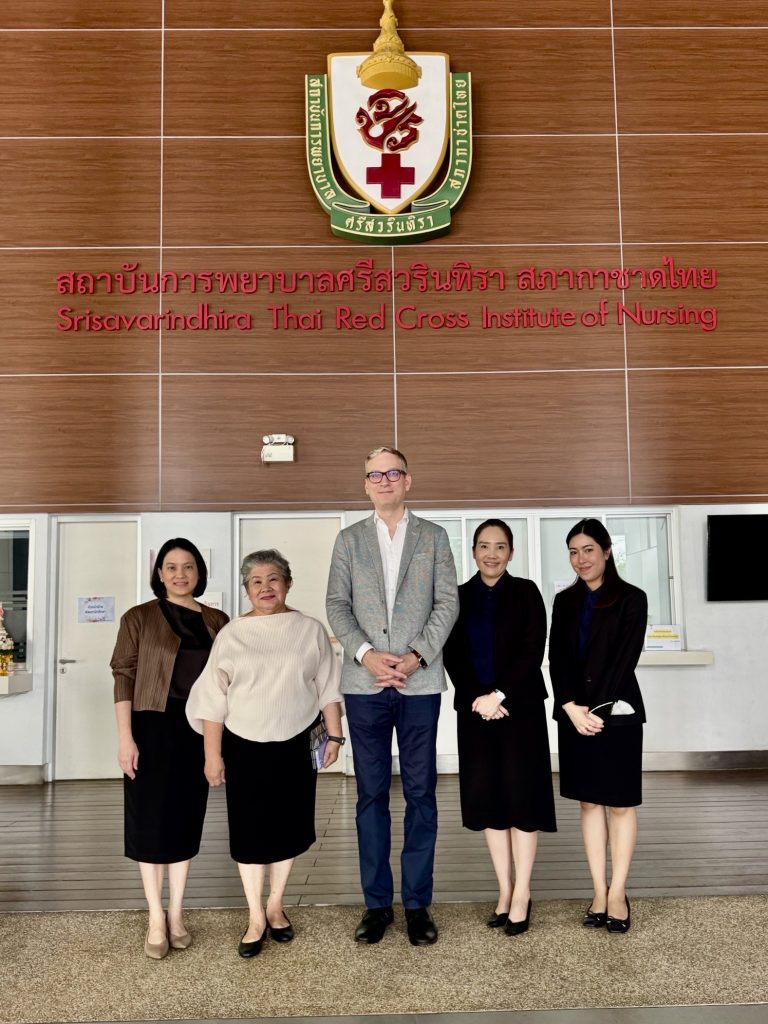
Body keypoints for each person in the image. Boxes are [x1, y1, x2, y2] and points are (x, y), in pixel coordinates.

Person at [326, 446, 459, 946]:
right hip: (365, 685)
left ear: (408, 480)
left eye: (392, 472)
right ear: (365, 484)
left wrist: (417, 655)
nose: (383, 480)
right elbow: (336, 603)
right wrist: (365, 654)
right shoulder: (348, 540)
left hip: (419, 682)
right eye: (374, 474)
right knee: (370, 795)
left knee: (423, 794)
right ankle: (378, 905)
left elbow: (447, 602)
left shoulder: (435, 537)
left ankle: (419, 904)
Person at [186, 549, 343, 958]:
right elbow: (211, 701)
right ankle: (256, 915)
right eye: (255, 581)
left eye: (273, 579)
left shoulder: (309, 629)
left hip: (295, 742)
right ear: (247, 589)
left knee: (289, 826)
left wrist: (336, 737)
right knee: (250, 831)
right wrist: (212, 755)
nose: (265, 587)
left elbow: (328, 687)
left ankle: (277, 905)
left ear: (287, 583)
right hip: (243, 745)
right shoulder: (232, 633)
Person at [111, 538, 229, 959]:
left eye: (189, 567)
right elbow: (123, 675)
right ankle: (155, 916)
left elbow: (229, 678)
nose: (180, 574)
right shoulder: (138, 617)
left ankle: (177, 913)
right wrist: (126, 737)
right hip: (150, 725)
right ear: (159, 573)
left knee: (184, 818)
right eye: (171, 566)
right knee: (149, 821)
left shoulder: (218, 620)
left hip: (199, 730)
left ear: (199, 573)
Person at [443, 519, 556, 936]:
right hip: (475, 712)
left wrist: (500, 695)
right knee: (488, 798)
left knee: (522, 798)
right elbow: (452, 653)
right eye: (484, 546)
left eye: (501, 546)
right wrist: (479, 697)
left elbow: (533, 648)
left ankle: (524, 891)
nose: (492, 554)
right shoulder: (456, 597)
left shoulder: (527, 592)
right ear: (473, 552)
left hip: (520, 709)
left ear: (511, 553)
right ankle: (504, 890)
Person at [548, 518, 648, 934]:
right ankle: (598, 890)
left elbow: (625, 660)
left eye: (588, 549)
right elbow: (557, 660)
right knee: (589, 804)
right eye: (573, 551)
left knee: (620, 805)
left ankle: (619, 892)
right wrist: (571, 707)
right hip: (575, 716)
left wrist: (597, 711)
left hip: (619, 715)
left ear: (607, 552)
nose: (580, 559)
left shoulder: (632, 598)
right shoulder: (564, 601)